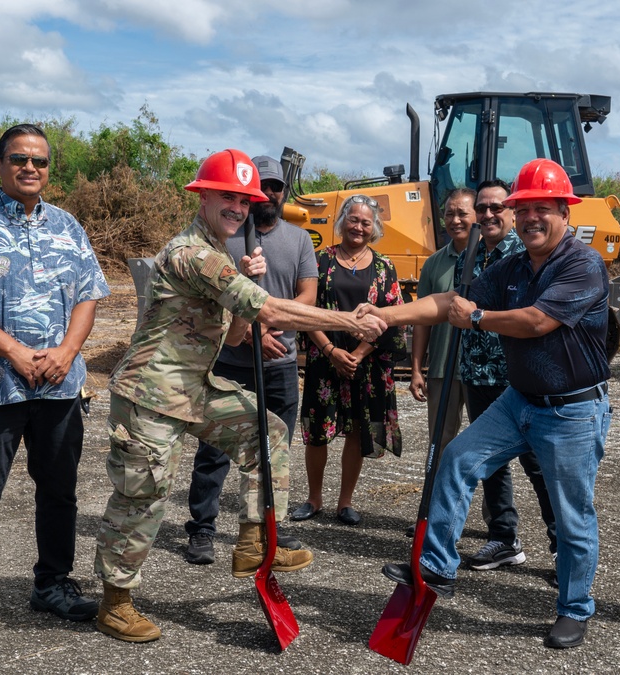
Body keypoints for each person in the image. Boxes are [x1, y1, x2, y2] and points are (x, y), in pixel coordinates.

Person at [92, 150, 386, 643]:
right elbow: (271, 309)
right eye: (227, 196)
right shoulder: (194, 254)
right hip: (149, 396)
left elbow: (232, 338)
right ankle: (115, 603)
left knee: (266, 431)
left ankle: (254, 540)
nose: (238, 207)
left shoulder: (221, 253)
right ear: (202, 196)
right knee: (142, 497)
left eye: (244, 200)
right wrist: (348, 319)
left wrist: (244, 287)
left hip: (193, 387)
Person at [369, 159, 612, 649]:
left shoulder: (582, 264)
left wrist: (477, 317)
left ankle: (574, 608)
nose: (531, 219)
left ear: (565, 212)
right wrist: (384, 315)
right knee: (457, 459)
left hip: (571, 410)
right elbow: (447, 303)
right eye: (524, 210)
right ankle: (438, 567)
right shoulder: (513, 265)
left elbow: (536, 322)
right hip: (518, 399)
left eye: (543, 209)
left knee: (572, 515)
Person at [0, 123, 111, 648]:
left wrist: (70, 351)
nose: (30, 168)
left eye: (40, 161)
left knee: (59, 493)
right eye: (19, 159)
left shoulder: (69, 227)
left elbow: (88, 296)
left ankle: (52, 585)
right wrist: (13, 351)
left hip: (58, 387)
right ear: (1, 165)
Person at [183, 155, 317, 565]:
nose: (269, 194)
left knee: (275, 448)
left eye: (276, 187)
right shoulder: (225, 236)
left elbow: (307, 295)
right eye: (263, 188)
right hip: (231, 360)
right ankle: (202, 530)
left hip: (280, 362)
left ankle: (264, 532)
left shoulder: (298, 239)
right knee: (214, 451)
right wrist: (258, 327)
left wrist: (274, 330)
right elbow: (224, 297)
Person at [458, 179, 558, 573]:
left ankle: (560, 545)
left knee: (539, 465)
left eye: (496, 207)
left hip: (517, 378)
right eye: (481, 208)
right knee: (490, 464)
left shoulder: (527, 254)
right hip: (476, 374)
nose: (487, 215)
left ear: (511, 211)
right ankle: (503, 538)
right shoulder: (471, 254)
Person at [290, 194, 407, 526]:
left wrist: (355, 355)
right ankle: (314, 499)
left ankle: (345, 503)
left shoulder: (384, 267)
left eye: (365, 222)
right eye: (353, 220)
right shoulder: (318, 261)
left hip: (363, 364)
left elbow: (392, 317)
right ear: (342, 222)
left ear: (375, 228)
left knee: (356, 431)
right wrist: (331, 351)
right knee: (317, 432)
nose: (358, 227)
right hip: (324, 359)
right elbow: (305, 312)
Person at [408, 188, 475, 452]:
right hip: (441, 368)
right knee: (440, 443)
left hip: (481, 372)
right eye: (449, 213)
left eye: (462, 213)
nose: (455, 220)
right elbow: (421, 320)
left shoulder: (491, 259)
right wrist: (416, 369)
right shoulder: (434, 263)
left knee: (490, 446)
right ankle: (438, 493)